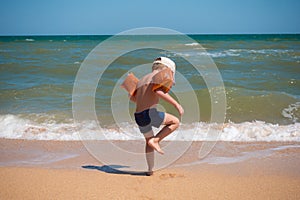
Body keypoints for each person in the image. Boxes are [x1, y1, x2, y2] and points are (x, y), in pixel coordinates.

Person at [123, 57, 184, 175]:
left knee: (148, 142)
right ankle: (157, 140)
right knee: (175, 122)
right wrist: (177, 104)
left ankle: (150, 169)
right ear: (167, 70)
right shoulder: (156, 77)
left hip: (139, 116)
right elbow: (158, 92)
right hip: (150, 113)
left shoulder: (141, 80)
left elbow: (133, 98)